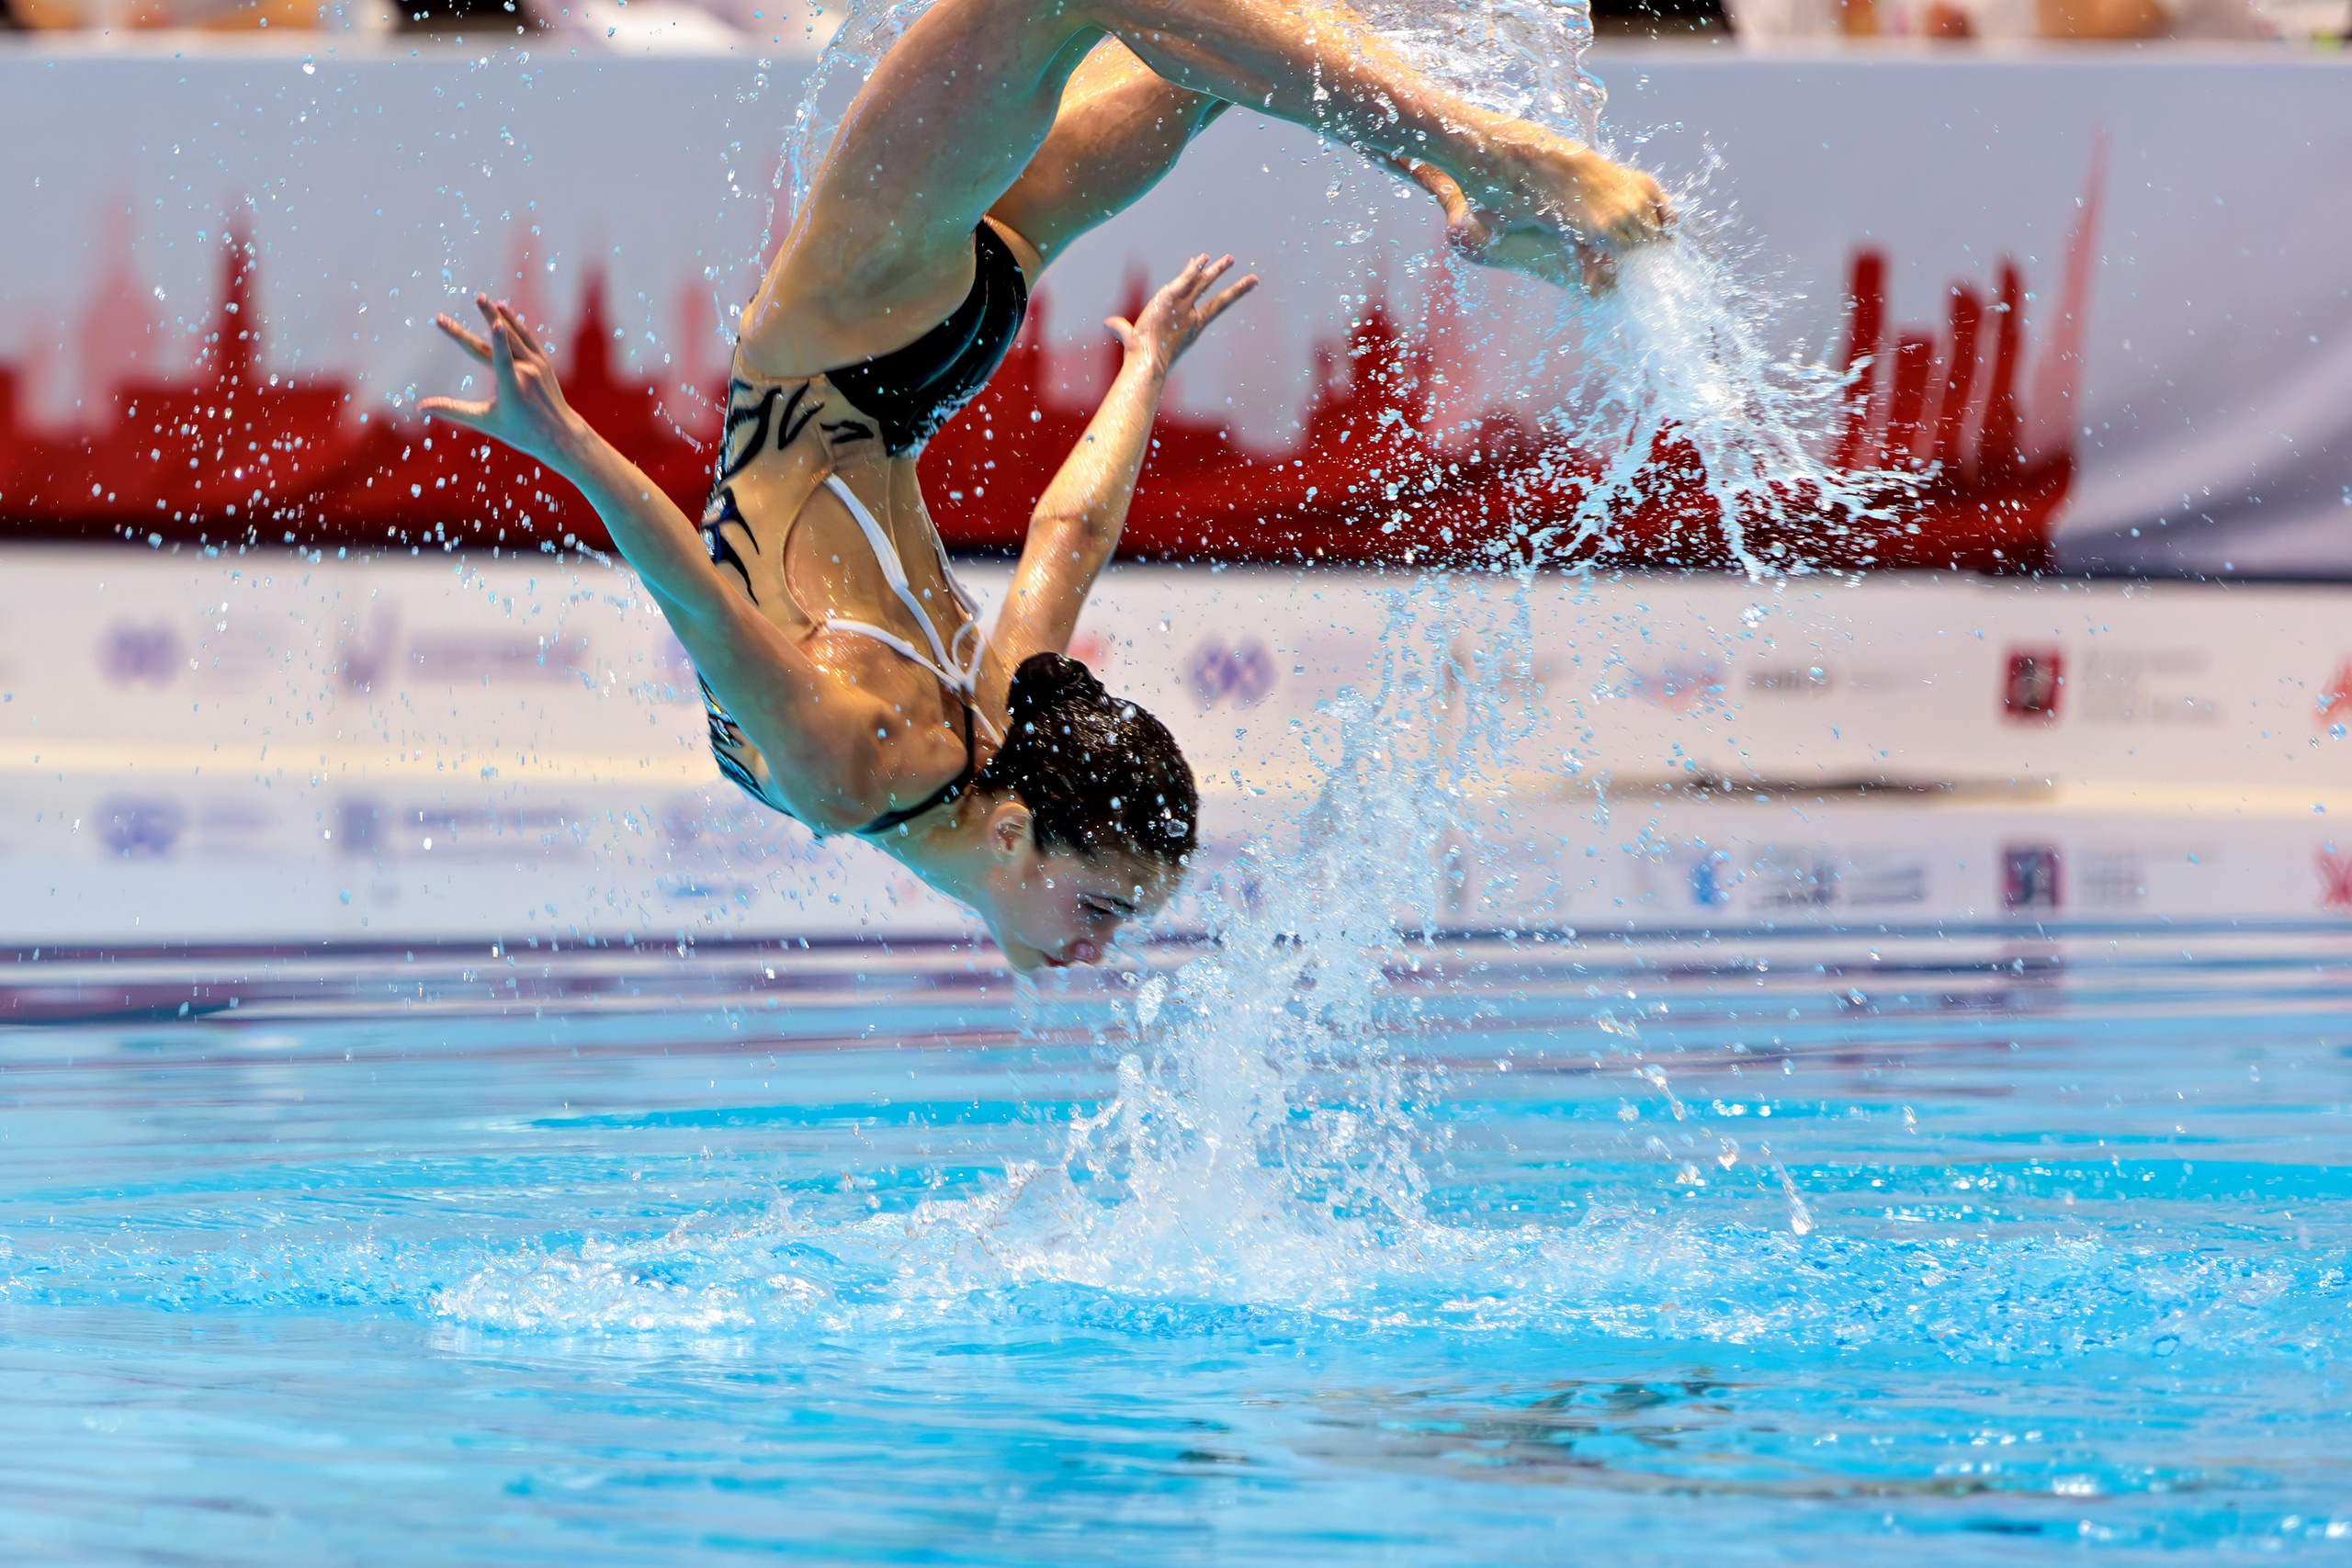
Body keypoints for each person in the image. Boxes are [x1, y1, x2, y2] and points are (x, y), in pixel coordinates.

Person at [423, 0, 1671, 971]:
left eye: (1104, 914)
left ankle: (1476, 175)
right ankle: (1473, 173)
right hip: (859, 348)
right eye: (1107, 915)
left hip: (899, 344)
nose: (1098, 947)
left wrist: (565, 442)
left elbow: (699, 600)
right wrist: (1146, 370)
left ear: (1018, 831)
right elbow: (1065, 534)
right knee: (1172, 29)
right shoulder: (953, 764)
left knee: (1190, 52)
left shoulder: (870, 760)